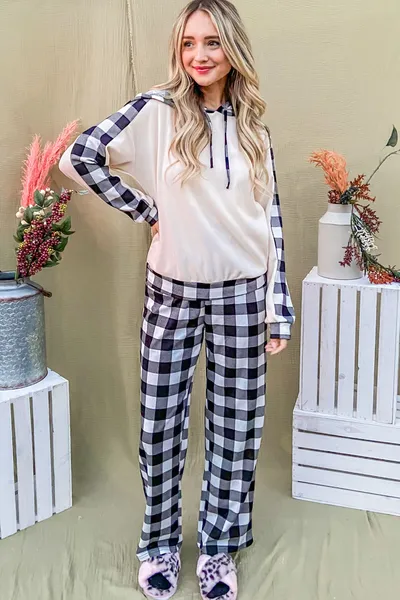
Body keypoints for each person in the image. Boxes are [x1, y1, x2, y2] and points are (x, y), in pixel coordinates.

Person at [59, 0, 295, 598]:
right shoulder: (157, 111)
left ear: (233, 49)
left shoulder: (255, 129)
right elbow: (79, 156)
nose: (199, 55)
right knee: (160, 425)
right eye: (188, 43)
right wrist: (146, 209)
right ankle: (159, 542)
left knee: (237, 429)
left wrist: (278, 305)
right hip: (172, 295)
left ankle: (218, 549)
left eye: (212, 42)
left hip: (243, 296)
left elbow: (269, 220)